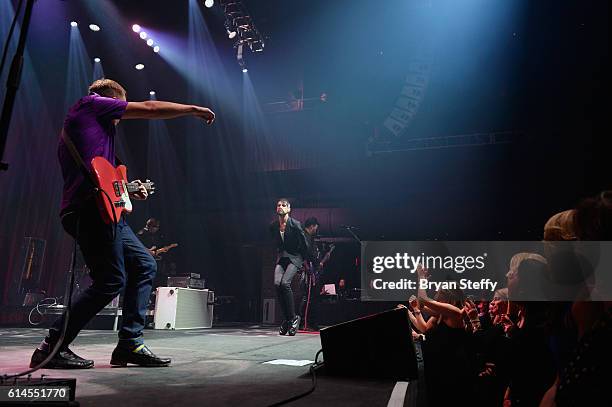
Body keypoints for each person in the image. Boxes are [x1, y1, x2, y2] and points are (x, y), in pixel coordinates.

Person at [30, 79, 215, 369]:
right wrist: (192, 109)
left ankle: (130, 344)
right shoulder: (90, 103)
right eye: (118, 108)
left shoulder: (97, 135)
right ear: (108, 99)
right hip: (88, 211)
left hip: (106, 212)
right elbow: (151, 108)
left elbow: (101, 177)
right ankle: (51, 347)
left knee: (144, 264)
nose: (118, 119)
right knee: (110, 281)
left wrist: (128, 189)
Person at [269, 198, 311, 336]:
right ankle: (289, 319)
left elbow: (305, 243)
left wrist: (303, 260)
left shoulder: (295, 224)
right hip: (282, 258)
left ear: (289, 209)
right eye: (278, 205)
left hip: (295, 257)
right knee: (277, 284)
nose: (280, 207)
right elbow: (275, 242)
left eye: (283, 205)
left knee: (285, 283)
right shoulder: (274, 226)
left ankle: (293, 318)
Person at [299, 217, 321, 331]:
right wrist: (307, 268)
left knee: (311, 297)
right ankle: (302, 322)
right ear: (312, 226)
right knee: (306, 297)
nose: (316, 230)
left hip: (311, 268)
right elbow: (302, 254)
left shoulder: (310, 238)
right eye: (316, 227)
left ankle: (310, 322)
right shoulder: (304, 237)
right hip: (307, 269)